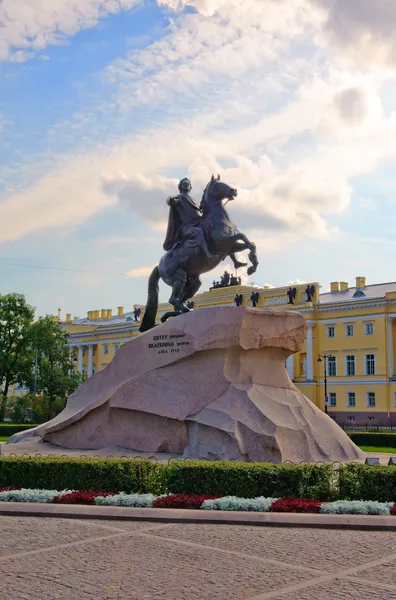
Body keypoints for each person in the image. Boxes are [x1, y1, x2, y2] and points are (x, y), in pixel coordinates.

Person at [163, 178, 218, 261]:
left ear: (190, 187)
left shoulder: (194, 200)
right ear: (180, 187)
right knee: (198, 232)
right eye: (184, 183)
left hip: (198, 223)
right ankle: (208, 254)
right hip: (187, 228)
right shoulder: (179, 198)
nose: (186, 185)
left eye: (188, 184)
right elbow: (170, 202)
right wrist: (170, 199)